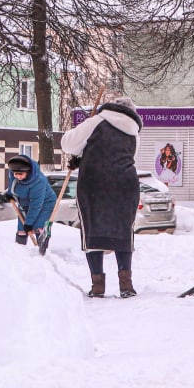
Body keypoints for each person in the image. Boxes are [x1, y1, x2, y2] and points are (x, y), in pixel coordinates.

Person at [60, 97, 144, 298]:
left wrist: (81, 153)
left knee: (93, 229)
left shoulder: (97, 120)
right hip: (125, 184)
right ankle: (126, 285)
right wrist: (83, 157)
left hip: (94, 183)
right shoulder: (134, 131)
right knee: (123, 231)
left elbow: (68, 144)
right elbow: (120, 156)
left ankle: (98, 286)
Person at [0, 154, 57, 246]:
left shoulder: (39, 181)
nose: (18, 176)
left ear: (28, 171)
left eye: (20, 174)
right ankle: (20, 250)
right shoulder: (14, 172)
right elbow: (12, 183)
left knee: (37, 226)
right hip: (25, 201)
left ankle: (42, 251)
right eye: (15, 174)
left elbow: (35, 205)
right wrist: (9, 194)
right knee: (22, 229)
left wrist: (29, 223)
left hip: (44, 203)